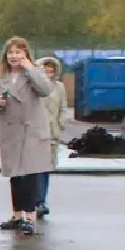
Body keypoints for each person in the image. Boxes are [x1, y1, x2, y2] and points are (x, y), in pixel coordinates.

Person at [0, 37, 55, 235]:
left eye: (18, 52)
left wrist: (30, 69)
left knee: (30, 172)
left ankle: (30, 217)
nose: (14, 56)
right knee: (15, 174)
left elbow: (46, 90)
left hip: (32, 129)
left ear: (25, 54)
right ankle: (16, 215)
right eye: (11, 52)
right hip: (10, 129)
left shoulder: (35, 72)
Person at [35, 56, 69, 218]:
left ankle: (41, 201)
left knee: (46, 169)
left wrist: (61, 123)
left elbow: (64, 107)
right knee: (34, 167)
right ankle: (34, 200)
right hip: (35, 132)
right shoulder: (33, 86)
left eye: (51, 71)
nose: (48, 74)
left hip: (52, 133)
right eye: (45, 71)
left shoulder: (60, 87)